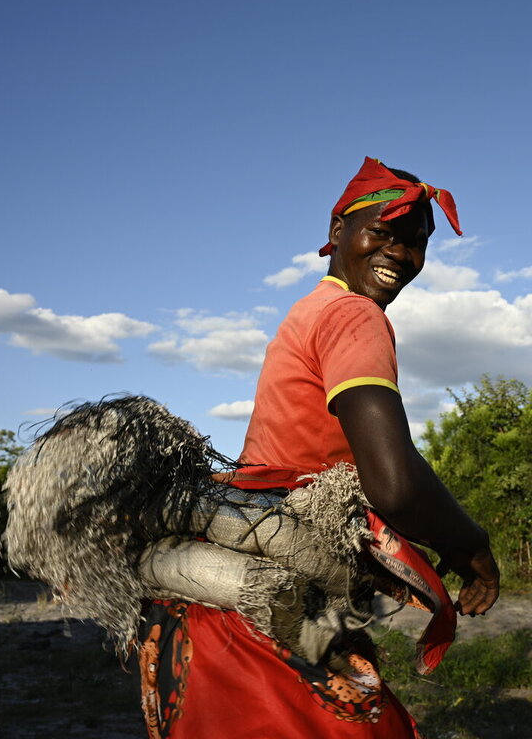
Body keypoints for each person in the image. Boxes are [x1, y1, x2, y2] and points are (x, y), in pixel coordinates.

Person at [134, 157, 500, 738]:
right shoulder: (354, 317)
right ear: (337, 233)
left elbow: (390, 457)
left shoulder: (310, 310)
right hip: (267, 616)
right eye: (383, 233)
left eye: (416, 242)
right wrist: (471, 544)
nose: (401, 255)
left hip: (211, 621)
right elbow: (394, 481)